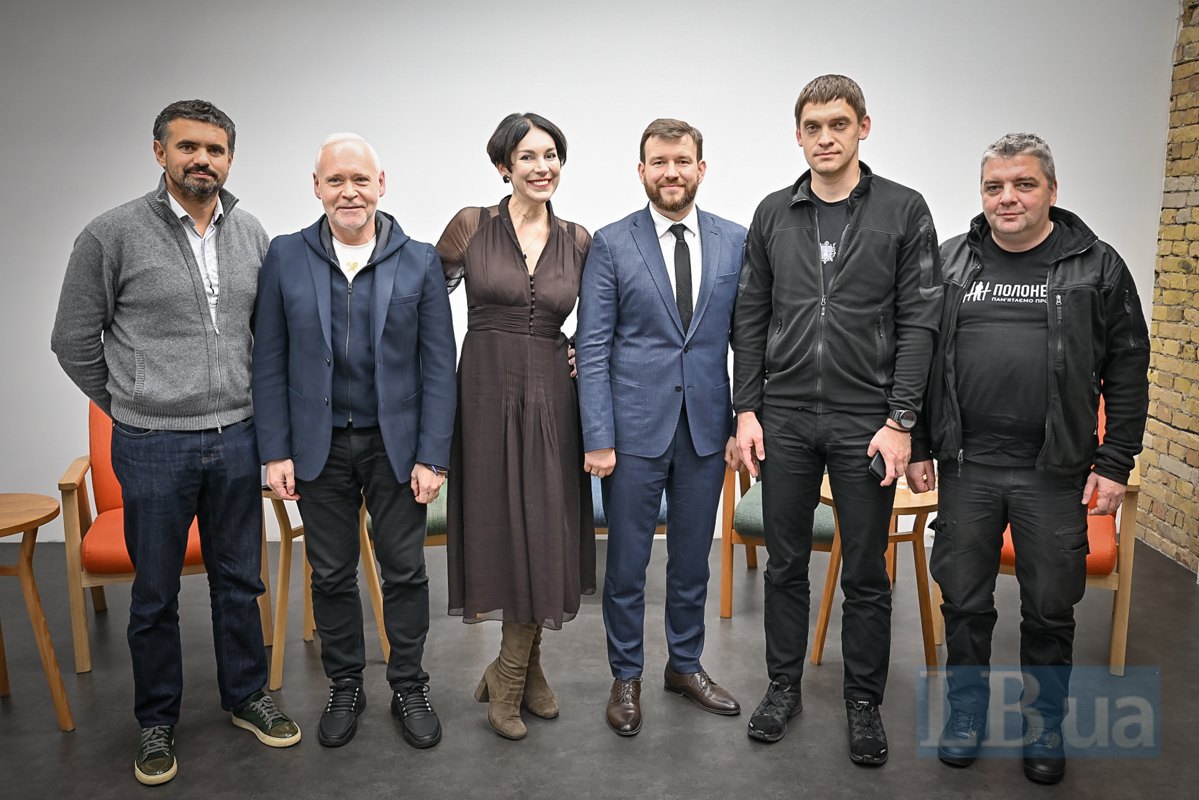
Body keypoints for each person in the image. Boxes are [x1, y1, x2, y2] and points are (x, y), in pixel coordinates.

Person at [51, 99, 300, 786]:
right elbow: (71, 338)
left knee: (238, 580)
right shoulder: (111, 235)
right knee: (155, 593)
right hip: (154, 444)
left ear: (229, 159)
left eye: (216, 150)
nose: (203, 160)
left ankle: (247, 695)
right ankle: (156, 721)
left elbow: (266, 337)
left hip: (238, 438)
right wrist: (132, 404)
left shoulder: (250, 233)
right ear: (159, 151)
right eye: (189, 147)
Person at [907, 133, 1150, 785]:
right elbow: (921, 360)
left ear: (1050, 190)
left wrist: (1113, 460)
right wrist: (921, 446)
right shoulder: (950, 262)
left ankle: (1044, 724)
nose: (1006, 198)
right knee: (962, 600)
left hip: (1055, 471)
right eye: (993, 186)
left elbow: (1128, 367)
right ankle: (964, 714)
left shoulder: (1094, 265)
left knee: (1049, 606)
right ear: (981, 193)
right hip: (967, 468)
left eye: (1022, 184)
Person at [731, 74, 942, 763]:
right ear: (797, 135)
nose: (825, 137)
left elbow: (919, 323)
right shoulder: (772, 213)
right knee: (786, 563)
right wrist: (746, 410)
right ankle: (782, 687)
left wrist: (901, 417)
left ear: (863, 128)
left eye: (838, 125)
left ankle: (862, 703)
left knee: (865, 574)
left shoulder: (903, 211)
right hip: (785, 418)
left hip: (866, 423)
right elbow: (749, 317)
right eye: (813, 126)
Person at [251, 133, 456, 751]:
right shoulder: (286, 256)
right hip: (317, 450)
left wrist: (433, 455)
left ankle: (408, 684)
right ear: (316, 187)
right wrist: (275, 449)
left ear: (382, 183)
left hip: (396, 448)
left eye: (360, 179)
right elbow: (269, 361)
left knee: (406, 572)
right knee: (332, 573)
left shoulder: (418, 259)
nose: (349, 191)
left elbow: (438, 366)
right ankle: (345, 685)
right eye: (335, 180)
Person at [577, 118, 745, 737]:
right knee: (625, 565)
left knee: (693, 561)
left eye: (681, 161)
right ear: (640, 170)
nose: (670, 172)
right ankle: (626, 675)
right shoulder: (611, 243)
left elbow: (745, 340)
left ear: (702, 168)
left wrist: (741, 417)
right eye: (658, 162)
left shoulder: (735, 241)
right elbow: (592, 346)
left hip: (706, 430)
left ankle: (686, 665)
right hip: (632, 433)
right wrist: (597, 435)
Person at [435, 112, 596, 741]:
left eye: (551, 155)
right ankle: (518, 673)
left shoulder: (580, 239)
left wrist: (583, 345)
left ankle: (510, 671)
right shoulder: (472, 226)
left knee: (545, 527)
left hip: (555, 399)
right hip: (484, 393)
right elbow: (421, 304)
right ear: (505, 164)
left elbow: (611, 315)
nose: (542, 167)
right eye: (528, 156)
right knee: (502, 526)